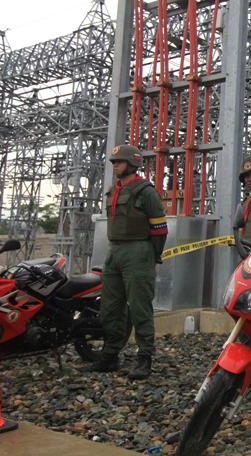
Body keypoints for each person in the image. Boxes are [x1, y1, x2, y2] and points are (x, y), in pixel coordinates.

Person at [87, 145, 167, 380]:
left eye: (119, 162)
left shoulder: (146, 191)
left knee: (140, 307)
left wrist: (151, 255)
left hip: (138, 251)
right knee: (110, 307)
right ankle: (110, 356)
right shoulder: (114, 190)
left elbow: (160, 229)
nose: (115, 165)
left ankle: (145, 358)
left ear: (133, 164)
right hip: (114, 251)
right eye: (113, 162)